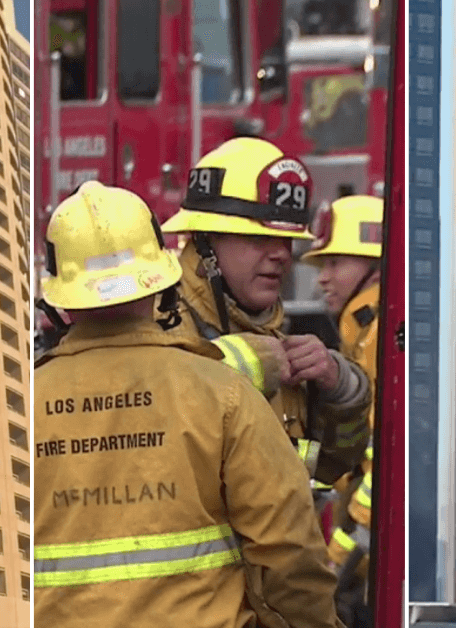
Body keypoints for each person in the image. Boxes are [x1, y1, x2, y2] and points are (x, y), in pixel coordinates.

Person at [33, 181, 342, 628]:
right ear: (159, 279)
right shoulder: (225, 396)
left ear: (61, 298)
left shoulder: (17, 409)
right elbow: (287, 550)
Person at [159, 137, 372, 488]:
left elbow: (322, 471)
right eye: (259, 239)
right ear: (205, 242)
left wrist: (341, 388)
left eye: (286, 241)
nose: (282, 256)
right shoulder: (158, 327)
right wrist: (239, 365)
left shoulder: (273, 339)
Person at [300, 195, 383, 625]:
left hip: (376, 559)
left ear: (374, 264)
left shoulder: (378, 332)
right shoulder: (363, 329)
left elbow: (385, 462)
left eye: (336, 264)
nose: (323, 279)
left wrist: (337, 560)